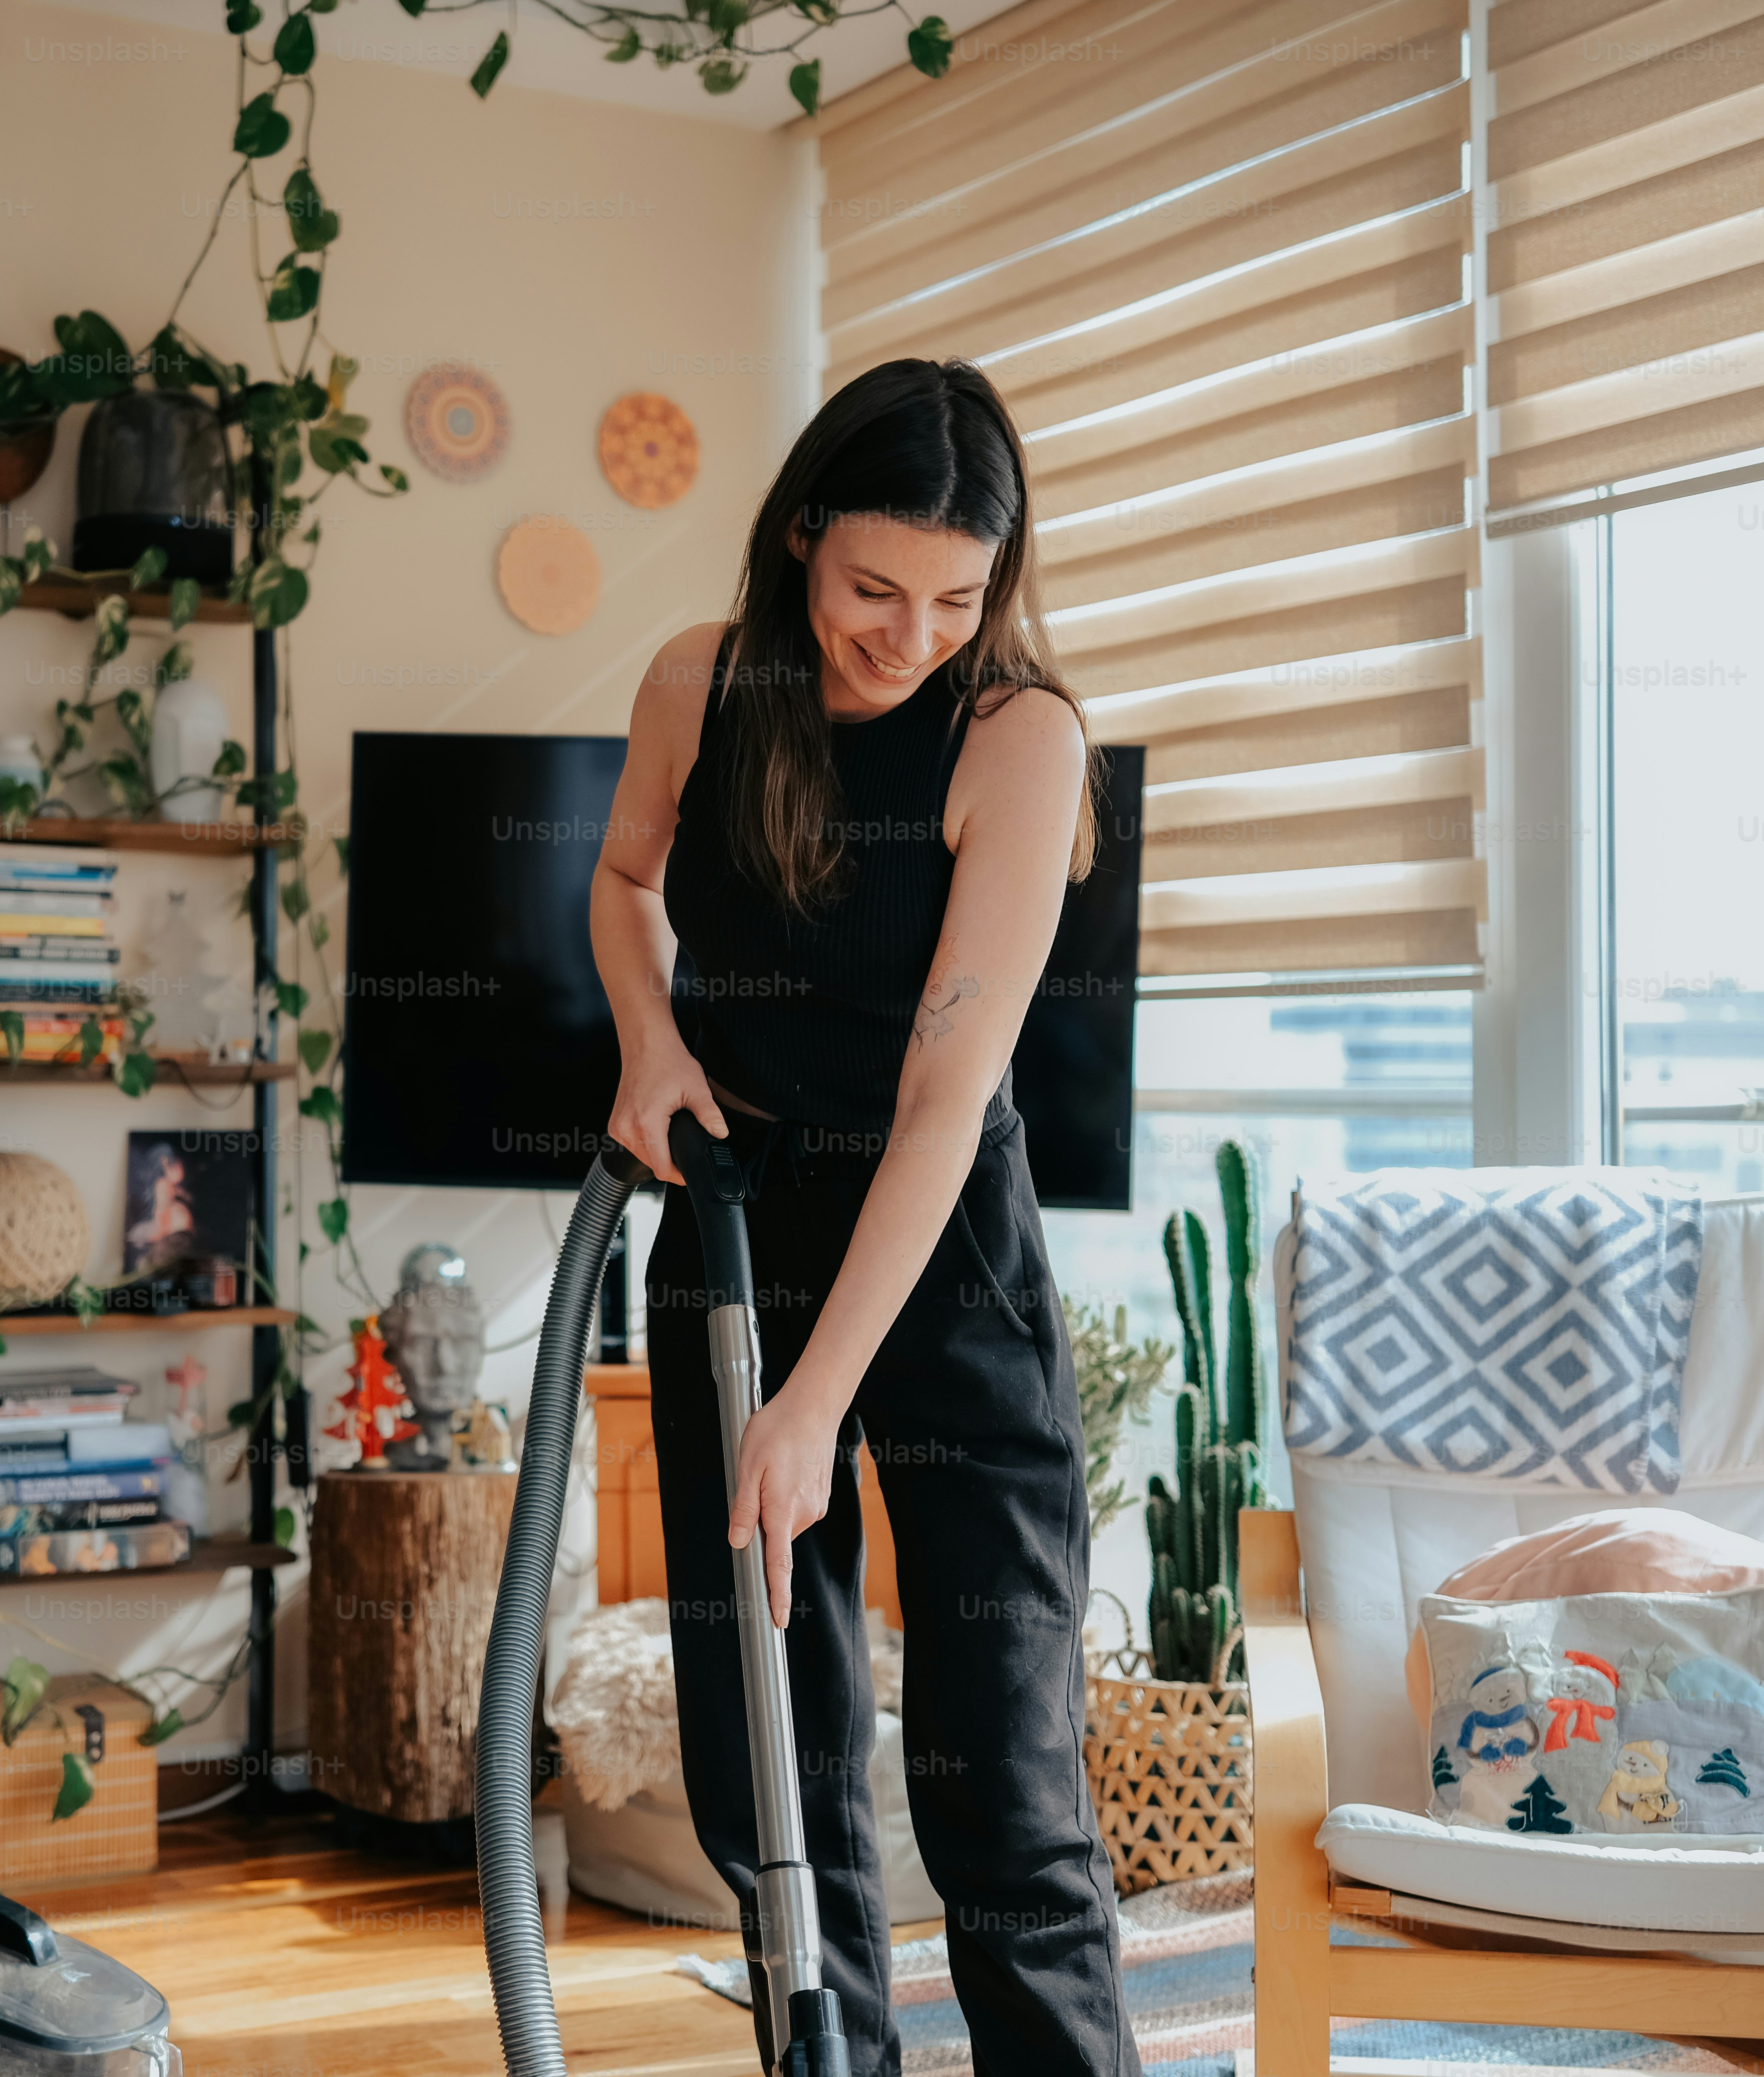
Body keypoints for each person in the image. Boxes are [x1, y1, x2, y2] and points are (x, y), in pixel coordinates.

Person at [589, 357, 1136, 2075]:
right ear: (803, 537)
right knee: (779, 1763)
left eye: (958, 600)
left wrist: (817, 1403)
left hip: (943, 1255)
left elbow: (942, 1103)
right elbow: (621, 881)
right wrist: (652, 1039)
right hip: (739, 1231)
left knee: (1004, 1778)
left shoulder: (1018, 738)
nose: (909, 636)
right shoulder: (702, 683)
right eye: (873, 591)